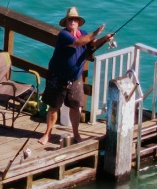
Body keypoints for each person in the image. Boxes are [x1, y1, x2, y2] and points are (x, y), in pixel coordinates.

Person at [40, 8, 115, 147]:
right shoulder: (64, 35)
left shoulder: (84, 33)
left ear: (79, 22)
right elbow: (79, 43)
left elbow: (91, 43)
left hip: (75, 78)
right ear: (66, 22)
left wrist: (104, 39)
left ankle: (76, 134)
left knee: (75, 107)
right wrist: (96, 33)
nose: (72, 22)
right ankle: (47, 133)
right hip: (57, 77)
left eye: (75, 20)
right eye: (70, 19)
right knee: (54, 107)